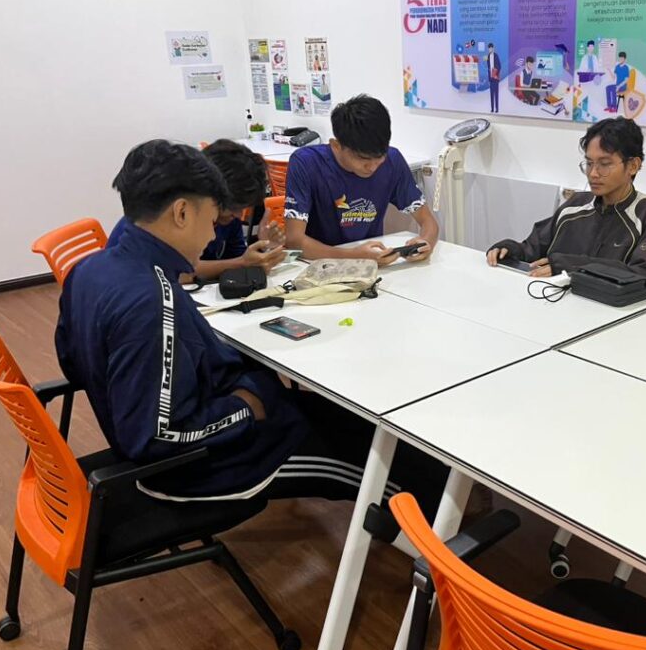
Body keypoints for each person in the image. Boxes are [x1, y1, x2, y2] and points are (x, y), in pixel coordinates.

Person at [56, 139, 447, 511]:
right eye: (212, 219)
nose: (213, 232)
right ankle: (432, 527)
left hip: (220, 412)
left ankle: (435, 495)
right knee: (374, 464)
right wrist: (246, 407)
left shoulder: (89, 269)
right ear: (181, 213)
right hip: (204, 468)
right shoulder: (150, 300)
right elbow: (156, 437)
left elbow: (73, 363)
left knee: (339, 417)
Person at [486, 117, 646, 285]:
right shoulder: (575, 205)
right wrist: (510, 250)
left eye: (605, 164)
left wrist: (572, 266)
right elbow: (532, 249)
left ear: (633, 166)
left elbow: (643, 275)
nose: (593, 173)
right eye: (589, 163)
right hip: (553, 301)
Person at [283, 94, 438, 265]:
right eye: (363, 159)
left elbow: (428, 221)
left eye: (379, 158)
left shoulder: (392, 160)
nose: (372, 167)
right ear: (336, 146)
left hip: (372, 266)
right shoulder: (306, 163)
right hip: (318, 264)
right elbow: (294, 241)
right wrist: (354, 256)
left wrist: (426, 242)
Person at [108, 139, 285, 281]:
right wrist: (242, 263)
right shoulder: (152, 223)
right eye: (234, 206)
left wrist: (262, 250)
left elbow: (236, 257)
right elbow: (182, 273)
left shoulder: (227, 219)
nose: (238, 215)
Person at [486, 42, 501, 113]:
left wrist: (495, 73)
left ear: (493, 48)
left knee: (496, 93)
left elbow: (499, 66)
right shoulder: (488, 56)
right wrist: (489, 77)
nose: (490, 49)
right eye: (489, 48)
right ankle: (492, 108)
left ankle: (497, 109)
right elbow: (488, 67)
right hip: (491, 78)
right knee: (491, 94)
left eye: (491, 48)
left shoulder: (496, 55)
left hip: (495, 77)